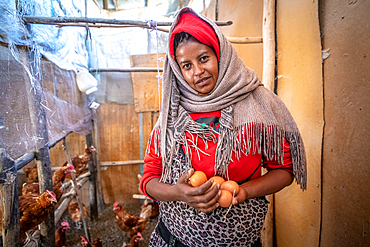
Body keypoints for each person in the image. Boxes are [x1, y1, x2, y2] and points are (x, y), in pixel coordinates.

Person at [139, 7, 306, 247]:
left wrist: (245, 191)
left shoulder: (257, 105)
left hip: (239, 240)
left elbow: (284, 171)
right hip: (175, 240)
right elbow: (149, 179)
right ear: (178, 70)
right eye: (186, 65)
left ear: (220, 54)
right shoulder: (172, 112)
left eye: (204, 58)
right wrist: (178, 193)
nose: (197, 71)